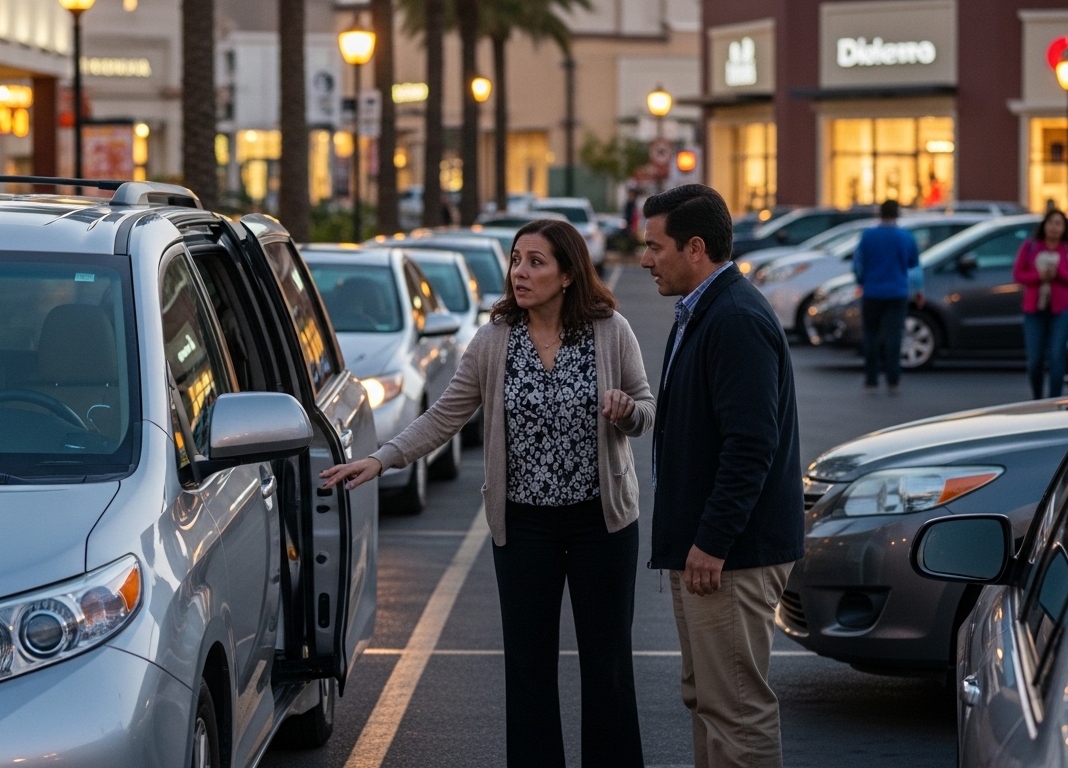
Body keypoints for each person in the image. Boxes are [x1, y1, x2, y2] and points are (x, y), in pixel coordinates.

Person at [321, 218, 656, 767]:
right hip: (524, 527)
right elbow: (445, 415)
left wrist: (626, 412)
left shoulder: (610, 330)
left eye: (535, 262)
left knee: (608, 665)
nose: (519, 272)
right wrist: (382, 458)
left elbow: (645, 408)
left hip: (602, 522)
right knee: (528, 668)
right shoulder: (494, 339)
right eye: (516, 260)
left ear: (568, 274)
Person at [639, 184, 804, 768]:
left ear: (695, 248)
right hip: (710, 553)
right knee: (709, 700)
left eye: (655, 246)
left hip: (730, 556)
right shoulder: (705, 310)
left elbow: (751, 445)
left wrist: (712, 541)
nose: (645, 259)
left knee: (734, 709)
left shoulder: (734, 318)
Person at [852, 199, 922, 395]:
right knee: (894, 337)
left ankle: (871, 379)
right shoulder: (905, 237)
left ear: (879, 213)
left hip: (872, 292)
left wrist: (861, 282)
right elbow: (914, 265)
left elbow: (857, 264)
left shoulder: (868, 235)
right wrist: (918, 290)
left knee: (871, 335)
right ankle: (893, 379)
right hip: (897, 292)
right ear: (897, 214)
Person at [1013, 209, 1068, 399]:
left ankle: (1055, 400)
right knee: (1035, 360)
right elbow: (1018, 274)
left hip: (1062, 310)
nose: (1054, 227)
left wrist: (1058, 272)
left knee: (1056, 356)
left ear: (1064, 228)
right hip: (1034, 309)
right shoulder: (1030, 246)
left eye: (1058, 223)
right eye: (1051, 222)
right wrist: (1039, 275)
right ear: (1044, 225)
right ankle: (1037, 399)